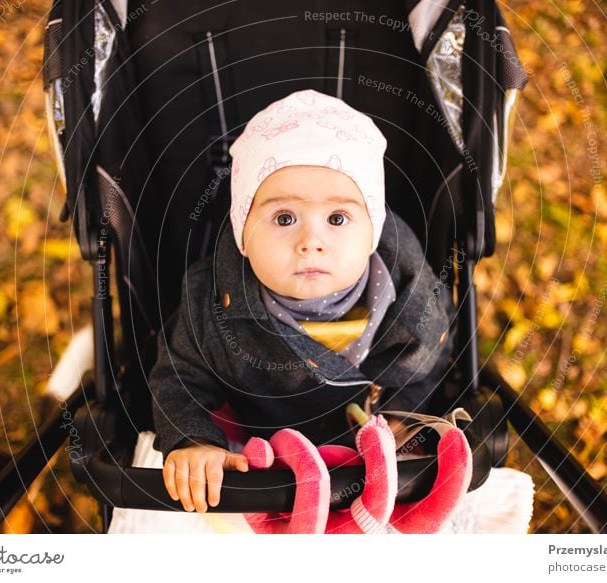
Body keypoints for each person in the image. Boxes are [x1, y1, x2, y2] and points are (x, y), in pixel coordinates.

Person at [150, 89, 454, 515]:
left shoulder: (406, 288)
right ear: (242, 229)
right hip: (261, 453)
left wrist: (404, 418)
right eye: (284, 218)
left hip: (368, 449)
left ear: (371, 230)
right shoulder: (209, 299)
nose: (311, 242)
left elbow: (426, 360)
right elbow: (179, 378)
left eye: (337, 219)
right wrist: (195, 441)